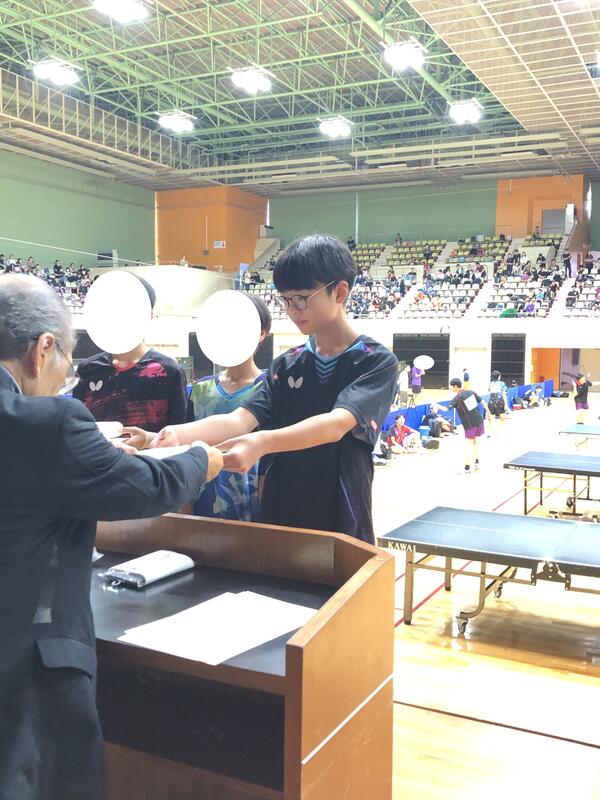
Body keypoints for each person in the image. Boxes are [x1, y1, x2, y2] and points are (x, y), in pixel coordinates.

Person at [0, 274, 223, 800]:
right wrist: (201, 459)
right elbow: (148, 489)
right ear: (42, 349)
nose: (64, 379)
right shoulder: (48, 421)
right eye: (65, 363)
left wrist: (94, 460)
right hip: (26, 667)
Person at [131, 235, 398, 543]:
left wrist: (262, 442)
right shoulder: (286, 365)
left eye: (302, 298)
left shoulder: (375, 362)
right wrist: (171, 435)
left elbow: (336, 424)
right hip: (280, 512)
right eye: (286, 300)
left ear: (339, 292)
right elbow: (239, 420)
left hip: (341, 515)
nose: (293, 310)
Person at [188, 295, 271, 521]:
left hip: (251, 508)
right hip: (202, 504)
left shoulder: (270, 389)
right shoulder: (200, 390)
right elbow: (186, 449)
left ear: (261, 333)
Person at [74, 276, 188, 433]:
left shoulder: (169, 371)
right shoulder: (88, 369)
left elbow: (178, 434)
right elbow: (78, 429)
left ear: (148, 315)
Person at [446, 377, 491, 474]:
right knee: (474, 442)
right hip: (479, 421)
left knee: (468, 445)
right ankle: (477, 462)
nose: (451, 388)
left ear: (456, 386)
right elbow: (483, 402)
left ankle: (467, 468)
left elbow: (446, 409)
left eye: (451, 387)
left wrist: (435, 404)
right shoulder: (471, 392)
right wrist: (488, 413)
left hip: (470, 425)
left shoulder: (457, 397)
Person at [488, 370, 508, 436]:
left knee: (491, 419)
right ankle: (496, 431)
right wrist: (506, 405)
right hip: (500, 402)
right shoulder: (502, 384)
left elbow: (489, 391)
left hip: (491, 402)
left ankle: (489, 433)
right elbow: (504, 394)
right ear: (499, 376)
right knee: (503, 419)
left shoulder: (490, 384)